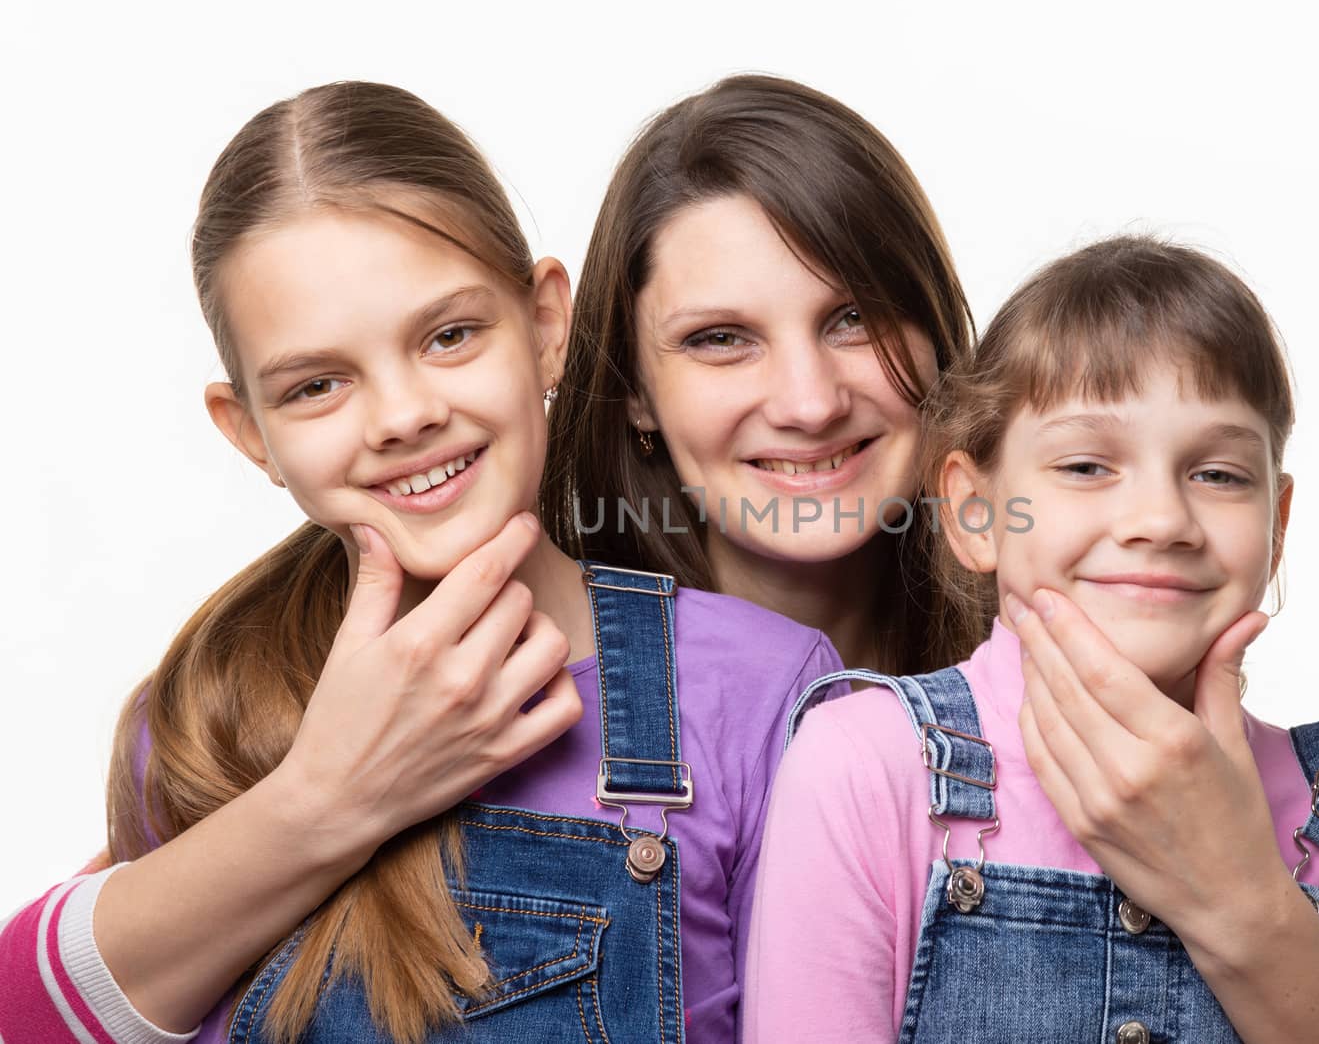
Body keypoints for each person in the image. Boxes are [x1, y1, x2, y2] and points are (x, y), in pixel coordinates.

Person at [0, 80, 839, 1044]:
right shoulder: (205, 718)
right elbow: (28, 1016)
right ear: (251, 434)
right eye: (318, 384)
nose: (403, 415)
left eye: (449, 335)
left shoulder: (762, 692)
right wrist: (325, 797)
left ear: (545, 325)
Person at [743, 236, 1319, 1042]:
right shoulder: (863, 765)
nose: (1161, 520)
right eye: (1088, 466)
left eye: (1220, 475)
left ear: (1278, 527)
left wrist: (1249, 904)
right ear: (973, 511)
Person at [543, 74, 980, 674]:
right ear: (635, 390)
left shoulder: (1080, 646)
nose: (810, 404)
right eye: (721, 339)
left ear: (933, 330)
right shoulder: (536, 710)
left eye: (855, 318)